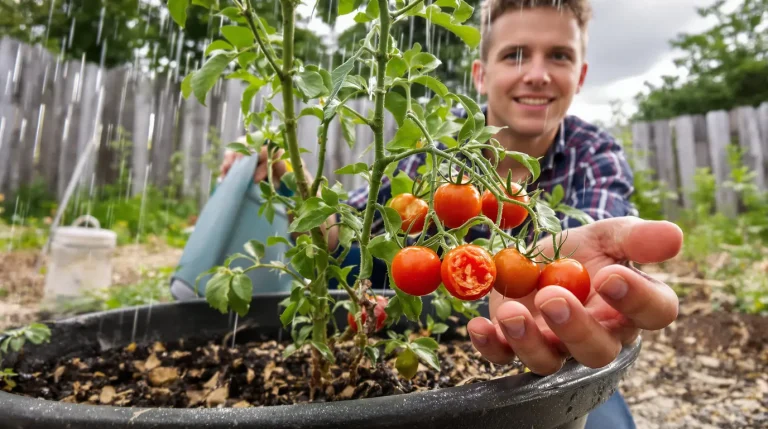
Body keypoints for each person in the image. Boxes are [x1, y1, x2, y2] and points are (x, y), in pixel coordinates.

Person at [219, 0, 682, 427]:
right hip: (434, 331)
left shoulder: (594, 153)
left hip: (562, 356)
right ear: (480, 75)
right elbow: (346, 231)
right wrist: (288, 177)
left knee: (595, 411)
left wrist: (574, 281)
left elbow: (587, 244)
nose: (537, 74)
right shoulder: (431, 156)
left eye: (559, 56)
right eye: (515, 55)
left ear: (580, 76)